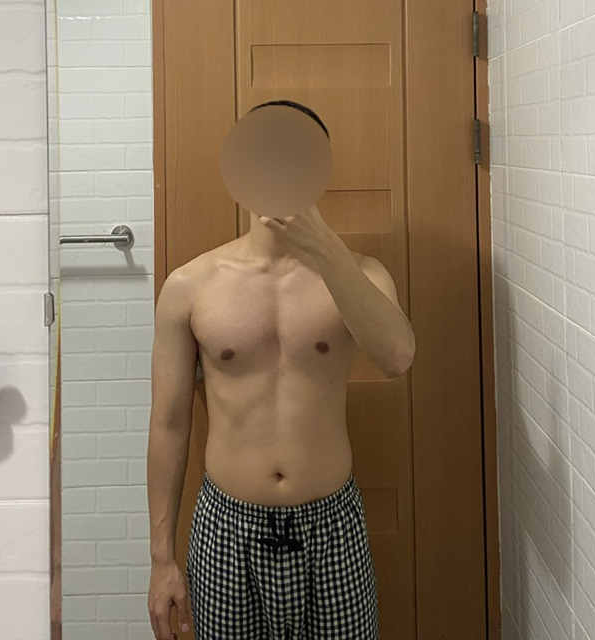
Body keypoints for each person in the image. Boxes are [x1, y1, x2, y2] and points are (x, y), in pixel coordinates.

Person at [146, 101, 416, 640]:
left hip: (332, 524)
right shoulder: (190, 286)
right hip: (226, 525)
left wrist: (326, 249)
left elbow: (397, 357)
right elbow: (169, 424)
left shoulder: (362, 276)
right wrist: (161, 559)